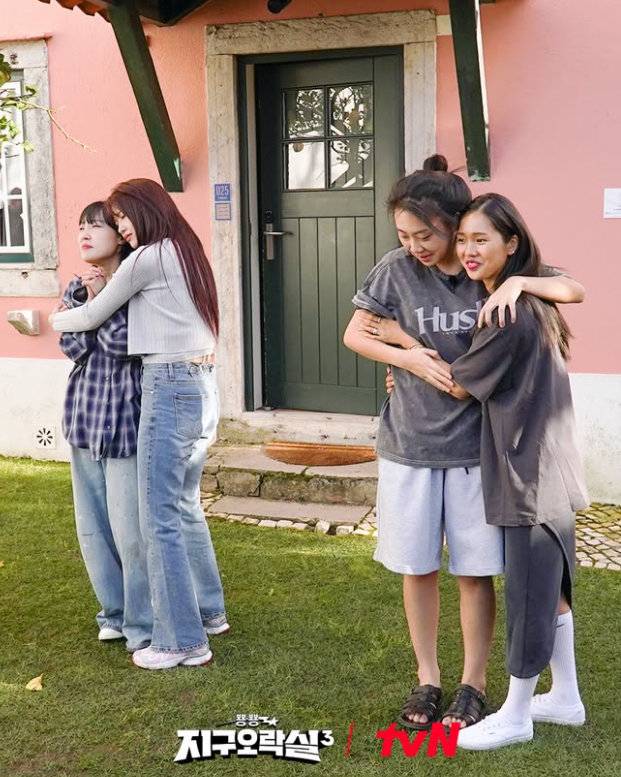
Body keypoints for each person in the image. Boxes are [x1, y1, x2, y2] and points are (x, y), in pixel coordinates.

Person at [343, 155, 585, 730]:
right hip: (410, 443)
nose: (414, 247)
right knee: (417, 567)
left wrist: (520, 281)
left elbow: (571, 288)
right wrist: (408, 356)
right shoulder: (395, 270)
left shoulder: (488, 266)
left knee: (475, 573)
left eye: (425, 235)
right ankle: (427, 677)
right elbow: (356, 333)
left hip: (480, 450)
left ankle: (473, 683)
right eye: (404, 236)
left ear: (455, 224)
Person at [51, 179, 227, 670]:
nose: (122, 228)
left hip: (167, 382)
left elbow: (93, 321)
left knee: (157, 518)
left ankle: (181, 640)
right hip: (193, 380)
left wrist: (58, 316)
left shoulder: (148, 256)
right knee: (181, 507)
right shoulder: (183, 250)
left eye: (121, 218)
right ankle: (208, 615)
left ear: (145, 211)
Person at [441, 193, 588, 749]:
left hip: (528, 474)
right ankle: (566, 697)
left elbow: (459, 385)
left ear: (511, 243)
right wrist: (522, 282)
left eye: (481, 239)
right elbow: (572, 286)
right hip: (551, 469)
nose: (468, 250)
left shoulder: (507, 311)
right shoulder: (530, 295)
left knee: (528, 594)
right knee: (552, 589)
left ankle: (517, 713)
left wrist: (402, 355)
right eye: (463, 239)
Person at [58, 201, 151, 652]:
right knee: (92, 528)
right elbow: (72, 346)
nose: (85, 233)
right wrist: (87, 303)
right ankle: (112, 613)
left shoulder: (136, 286)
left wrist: (98, 304)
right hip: (84, 419)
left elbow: (122, 345)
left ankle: (141, 622)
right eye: (81, 226)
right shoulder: (76, 287)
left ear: (119, 236)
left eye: (96, 225)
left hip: (124, 423)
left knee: (130, 532)